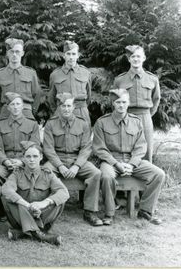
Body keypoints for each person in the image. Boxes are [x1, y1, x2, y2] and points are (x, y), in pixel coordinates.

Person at [93, 89, 165, 225]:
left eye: (124, 102)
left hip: (132, 160)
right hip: (110, 161)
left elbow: (141, 146)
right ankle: (109, 213)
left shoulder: (136, 122)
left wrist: (132, 164)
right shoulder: (102, 122)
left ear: (128, 103)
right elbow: (99, 148)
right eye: (118, 102)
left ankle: (145, 211)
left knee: (158, 174)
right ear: (113, 104)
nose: (121, 105)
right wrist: (116, 164)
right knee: (106, 176)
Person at [42, 93, 103, 226]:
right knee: (45, 171)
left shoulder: (83, 123)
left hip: (77, 158)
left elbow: (86, 148)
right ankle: (46, 208)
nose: (66, 109)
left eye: (69, 105)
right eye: (63, 106)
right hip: (57, 158)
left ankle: (90, 212)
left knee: (95, 173)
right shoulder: (51, 124)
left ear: (74, 106)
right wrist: (60, 166)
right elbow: (48, 149)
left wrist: (77, 166)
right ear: (58, 107)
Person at [1, 141, 69, 245]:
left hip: (42, 215)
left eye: (35, 156)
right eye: (28, 156)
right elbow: (7, 189)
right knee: (7, 197)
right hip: (22, 213)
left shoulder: (48, 173)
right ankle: (39, 234)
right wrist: (27, 205)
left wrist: (43, 204)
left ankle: (23, 232)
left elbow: (64, 192)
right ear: (23, 158)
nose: (31, 159)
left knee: (59, 199)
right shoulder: (17, 173)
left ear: (41, 157)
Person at [113, 45, 160, 162]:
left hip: (145, 117)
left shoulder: (152, 79)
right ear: (129, 59)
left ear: (143, 58)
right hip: (126, 117)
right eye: (132, 56)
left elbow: (156, 99)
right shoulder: (120, 80)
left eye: (138, 56)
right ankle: (127, 177)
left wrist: (148, 115)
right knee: (126, 149)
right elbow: (114, 101)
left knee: (146, 150)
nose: (135, 59)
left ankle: (147, 178)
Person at [0, 92, 41, 184]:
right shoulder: (0, 125)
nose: (15, 107)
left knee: (31, 174)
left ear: (23, 106)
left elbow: (35, 146)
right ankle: (0, 196)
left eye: (18, 104)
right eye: (12, 104)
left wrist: (22, 161)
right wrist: (5, 161)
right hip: (6, 160)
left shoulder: (32, 124)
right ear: (8, 107)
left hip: (26, 160)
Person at [0, 38, 41, 120]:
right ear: (7, 53)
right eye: (11, 51)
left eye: (17, 51)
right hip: (6, 113)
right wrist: (1, 111)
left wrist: (31, 111)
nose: (14, 54)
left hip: (26, 112)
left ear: (22, 53)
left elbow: (37, 95)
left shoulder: (31, 73)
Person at [48, 41, 91, 126]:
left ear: (78, 55)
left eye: (74, 54)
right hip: (62, 112)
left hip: (81, 111)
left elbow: (89, 96)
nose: (71, 57)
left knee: (83, 137)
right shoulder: (55, 75)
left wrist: (82, 108)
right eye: (68, 54)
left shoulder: (86, 73)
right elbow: (51, 98)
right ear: (64, 55)